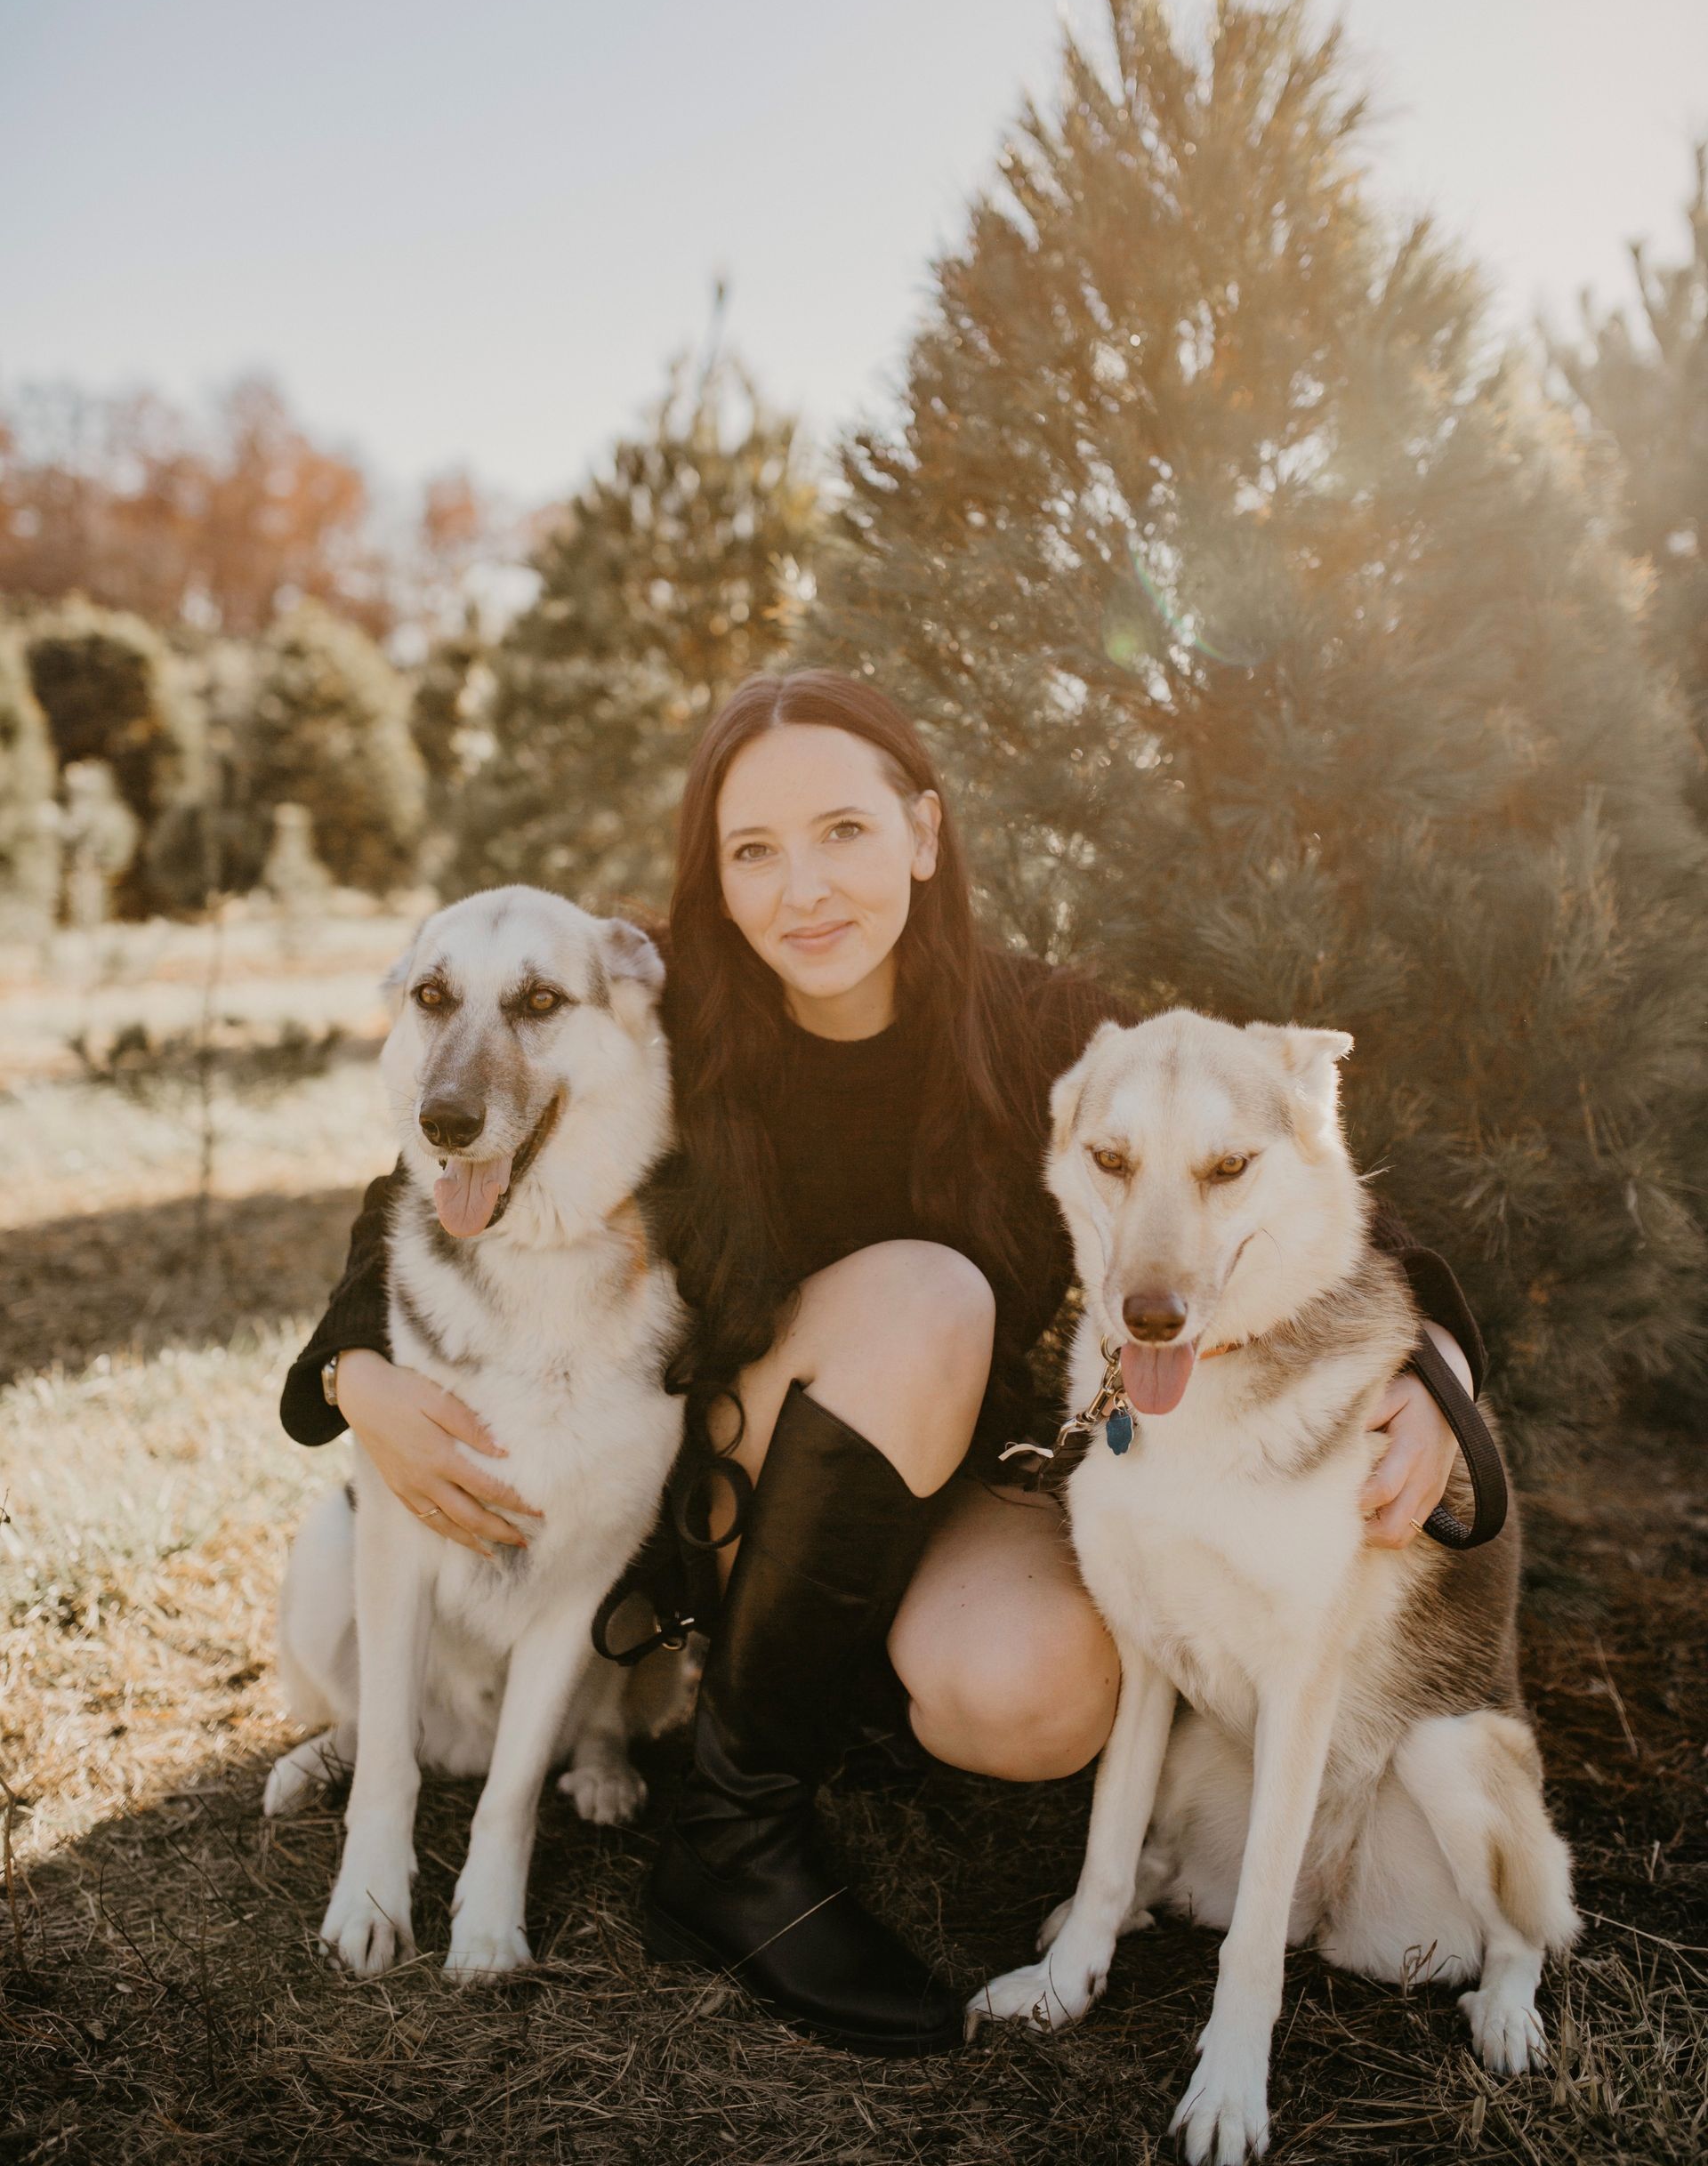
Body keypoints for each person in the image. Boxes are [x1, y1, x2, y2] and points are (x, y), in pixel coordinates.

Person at [280, 669, 1495, 2057]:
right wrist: (351, 1376)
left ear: (923, 832)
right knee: (930, 1299)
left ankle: (825, 1697)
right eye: (755, 851)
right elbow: (437, 1170)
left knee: (1038, 1696)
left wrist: (1441, 1373)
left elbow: (1320, 1189)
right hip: (705, 1485)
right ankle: (734, 1839)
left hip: (925, 1483)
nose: (805, 888)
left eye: (844, 833)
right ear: (716, 880)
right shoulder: (664, 1015)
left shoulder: (1043, 1030)